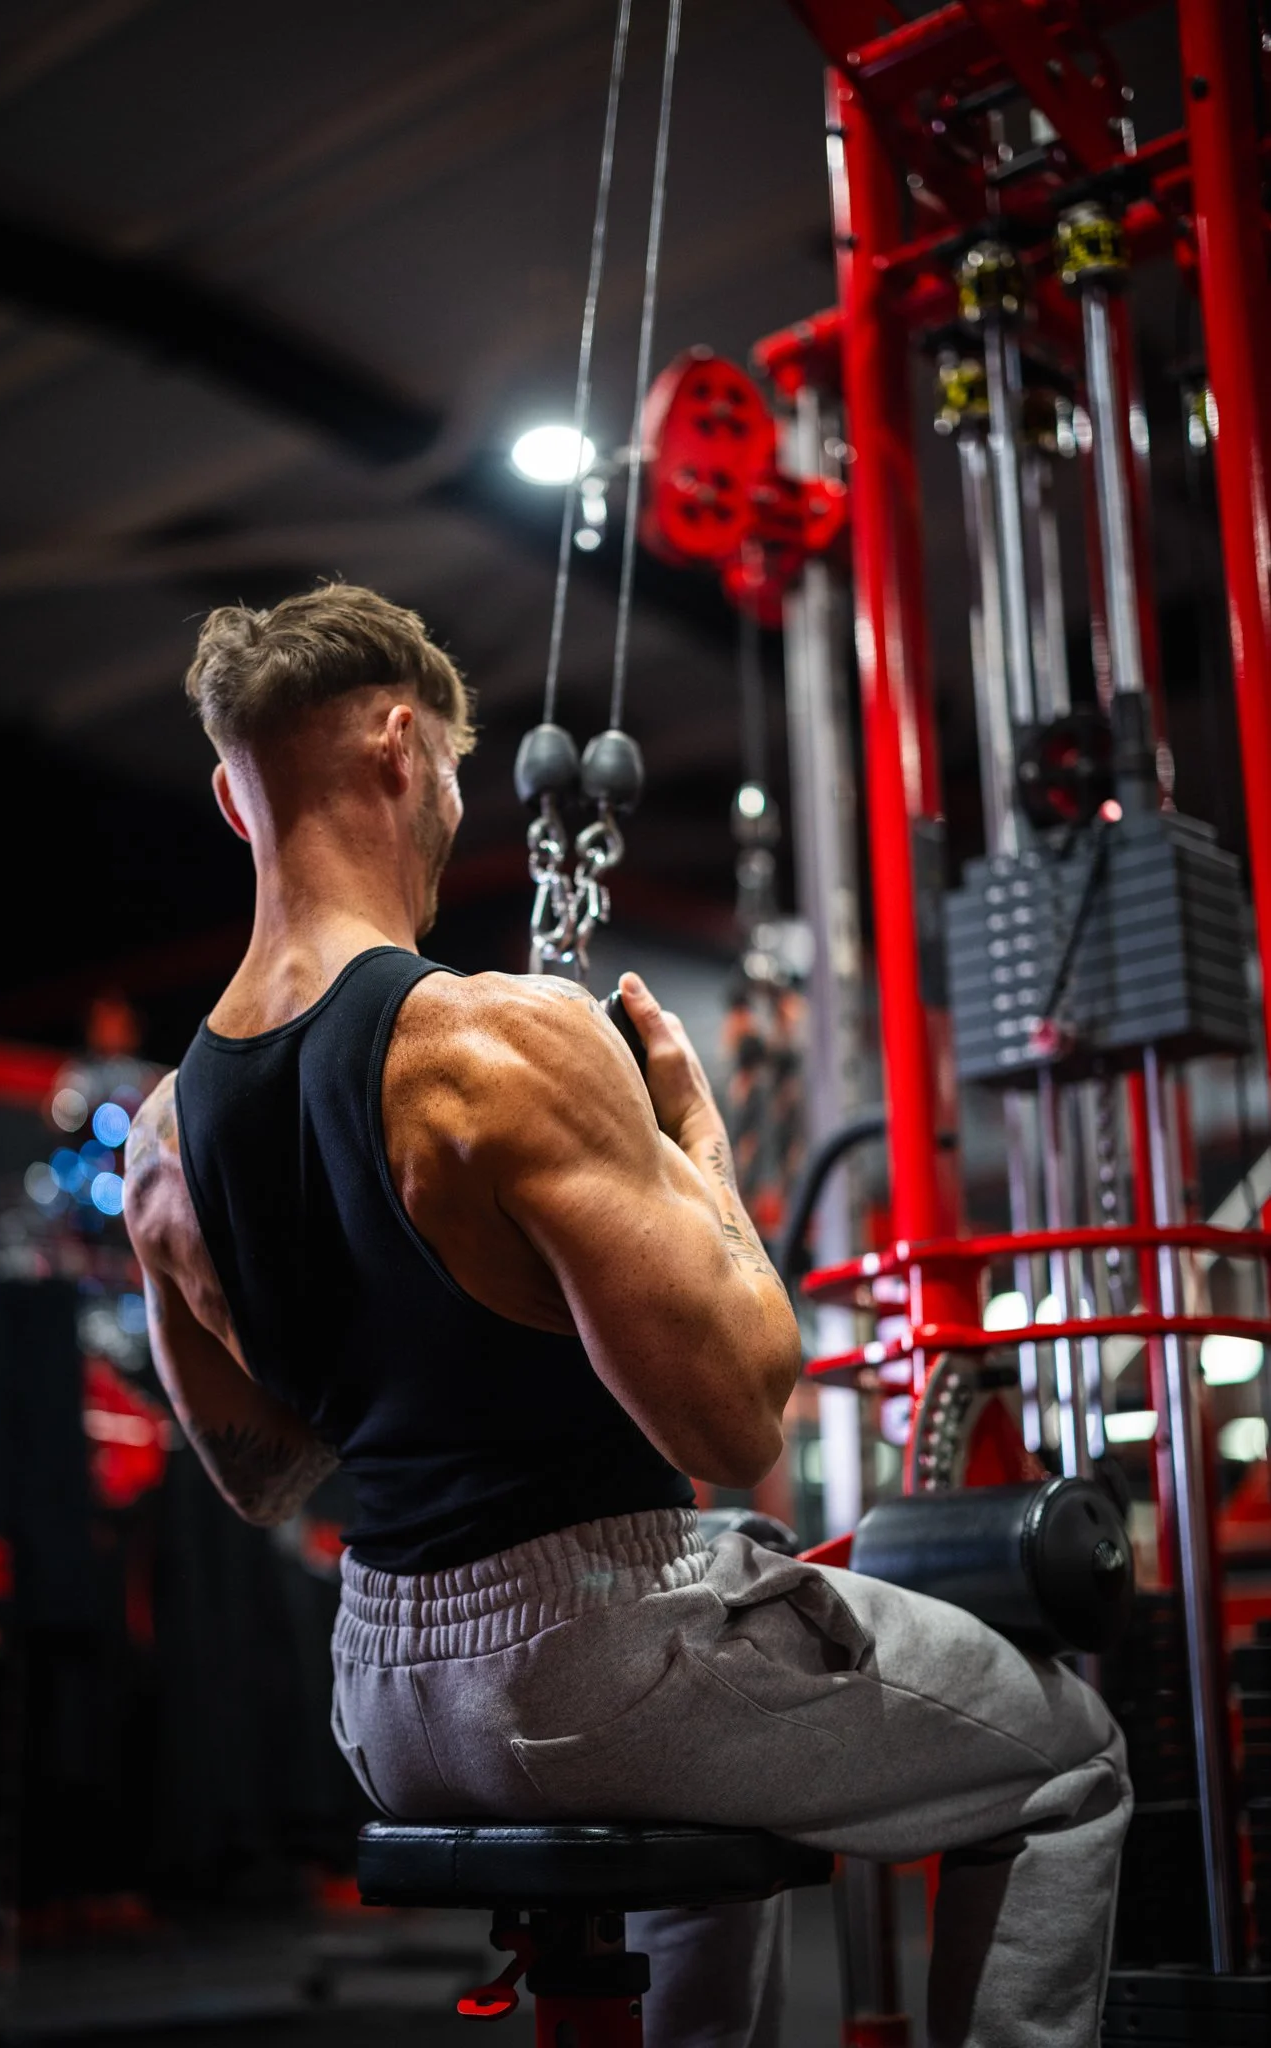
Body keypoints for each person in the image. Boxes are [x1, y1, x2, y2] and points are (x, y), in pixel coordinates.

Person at [125, 582, 1130, 2048]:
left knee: (695, 1751)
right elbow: (728, 1414)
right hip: (595, 1661)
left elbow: (261, 1474)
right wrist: (700, 1150)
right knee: (1072, 1763)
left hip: (385, 1707)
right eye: (457, 774)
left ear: (233, 798)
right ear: (403, 748)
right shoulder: (491, 1042)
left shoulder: (165, 1139)